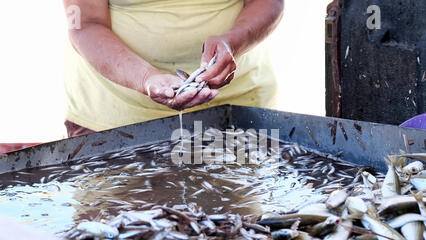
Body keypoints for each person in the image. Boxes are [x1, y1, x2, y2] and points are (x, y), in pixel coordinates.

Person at [63, 0, 284, 137]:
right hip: (112, 118)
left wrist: (233, 42)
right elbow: (85, 23)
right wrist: (145, 78)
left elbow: (268, 1)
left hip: (239, 111)